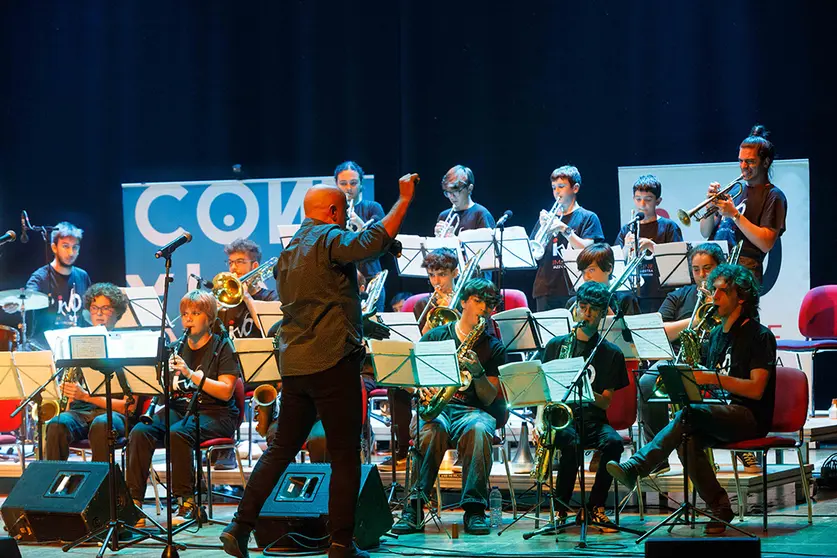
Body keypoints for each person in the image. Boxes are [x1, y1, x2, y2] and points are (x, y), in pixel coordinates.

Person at [221, 175, 417, 558]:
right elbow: (370, 241)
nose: (343, 220)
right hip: (332, 362)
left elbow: (322, 296)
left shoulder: (289, 251)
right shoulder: (328, 238)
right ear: (332, 212)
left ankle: (239, 527)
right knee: (344, 454)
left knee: (281, 449)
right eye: (341, 213)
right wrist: (404, 199)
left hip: (296, 366)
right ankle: (341, 543)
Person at [607, 264, 776, 535]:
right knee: (687, 438)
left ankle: (639, 465)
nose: (714, 297)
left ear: (741, 298)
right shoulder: (717, 335)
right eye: (714, 291)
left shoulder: (759, 335)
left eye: (722, 291)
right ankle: (720, 506)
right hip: (718, 412)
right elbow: (706, 379)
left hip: (749, 416)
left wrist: (710, 378)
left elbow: (756, 390)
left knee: (688, 416)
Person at [392, 278, 505, 536]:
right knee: (432, 430)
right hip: (437, 408)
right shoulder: (436, 337)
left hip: (473, 412)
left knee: (479, 429)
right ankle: (414, 507)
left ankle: (475, 509)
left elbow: (489, 398)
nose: (483, 309)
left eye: (488, 305)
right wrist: (420, 389)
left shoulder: (493, 347)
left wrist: (478, 373)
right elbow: (409, 378)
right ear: (463, 301)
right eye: (478, 301)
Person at [126, 290, 241, 526]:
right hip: (180, 408)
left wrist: (190, 374)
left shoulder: (222, 347)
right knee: (140, 431)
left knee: (179, 433)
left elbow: (226, 391)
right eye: (185, 313)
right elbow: (165, 392)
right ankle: (133, 504)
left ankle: (187, 502)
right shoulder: (175, 348)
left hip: (216, 412)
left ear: (209, 318)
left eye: (196, 313)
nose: (188, 318)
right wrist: (161, 379)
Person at [535, 281, 628, 530]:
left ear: (602, 313)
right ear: (576, 307)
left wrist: (584, 391)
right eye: (583, 307)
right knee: (571, 442)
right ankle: (560, 507)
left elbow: (606, 401)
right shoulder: (556, 346)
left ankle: (595, 507)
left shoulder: (611, 353)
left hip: (594, 419)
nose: (586, 314)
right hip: (561, 420)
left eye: (593, 310)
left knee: (614, 443)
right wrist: (539, 421)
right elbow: (544, 390)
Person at [45, 283, 136, 462]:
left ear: (117, 312)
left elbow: (129, 407)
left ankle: (100, 480)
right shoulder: (78, 343)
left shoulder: (128, 347)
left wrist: (86, 396)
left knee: (101, 425)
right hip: (80, 413)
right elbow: (71, 399)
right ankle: (55, 478)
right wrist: (68, 397)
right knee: (56, 424)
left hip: (113, 415)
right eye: (94, 308)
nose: (99, 313)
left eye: (105, 308)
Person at [700, 124, 787, 285]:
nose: (743, 166)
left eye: (750, 161)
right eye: (741, 160)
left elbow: (766, 243)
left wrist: (735, 214)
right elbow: (705, 232)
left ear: (766, 162)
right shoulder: (734, 189)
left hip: (743, 273)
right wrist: (709, 207)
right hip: (715, 269)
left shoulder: (774, 196)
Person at [531, 165, 605, 311]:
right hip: (545, 288)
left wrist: (564, 229)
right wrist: (543, 228)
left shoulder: (588, 217)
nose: (556, 192)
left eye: (561, 187)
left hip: (574, 288)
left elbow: (588, 251)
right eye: (554, 188)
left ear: (575, 188)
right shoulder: (548, 218)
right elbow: (534, 254)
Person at [615, 175, 683, 313]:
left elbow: (677, 264)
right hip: (633, 295)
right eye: (638, 199)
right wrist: (627, 247)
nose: (642, 204)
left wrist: (652, 246)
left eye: (648, 199)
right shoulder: (627, 229)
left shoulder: (669, 227)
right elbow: (617, 265)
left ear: (658, 201)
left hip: (660, 294)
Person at [23, 221, 92, 345]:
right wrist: (17, 303)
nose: (71, 253)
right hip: (45, 347)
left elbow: (89, 312)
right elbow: (26, 299)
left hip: (76, 346)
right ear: (54, 247)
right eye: (65, 246)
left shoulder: (83, 276)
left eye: (75, 247)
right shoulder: (40, 277)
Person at [336, 161, 388, 313]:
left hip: (370, 278)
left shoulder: (373, 208)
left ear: (361, 184)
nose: (348, 188)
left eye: (353, 183)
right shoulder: (333, 211)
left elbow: (382, 244)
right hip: (342, 280)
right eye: (343, 183)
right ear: (336, 185)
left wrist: (360, 225)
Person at [218, 238, 279, 339]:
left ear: (255, 266)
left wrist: (246, 297)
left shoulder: (271, 297)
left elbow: (270, 332)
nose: (233, 268)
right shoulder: (228, 302)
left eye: (239, 262)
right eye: (230, 263)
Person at [567, 243, 640, 317]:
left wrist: (604, 306)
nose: (586, 277)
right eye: (583, 272)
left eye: (591, 270)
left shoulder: (626, 300)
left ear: (609, 269)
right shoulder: (573, 303)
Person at [434, 165, 495, 237]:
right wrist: (437, 238)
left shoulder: (481, 214)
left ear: (469, 189)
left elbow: (487, 243)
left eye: (456, 191)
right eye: (448, 192)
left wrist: (453, 239)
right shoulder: (443, 216)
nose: (451, 197)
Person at [412, 247, 460, 333]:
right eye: (431, 275)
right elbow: (421, 339)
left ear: (455, 273)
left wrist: (453, 310)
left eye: (442, 274)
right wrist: (432, 316)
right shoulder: (422, 304)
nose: (436, 281)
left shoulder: (468, 300)